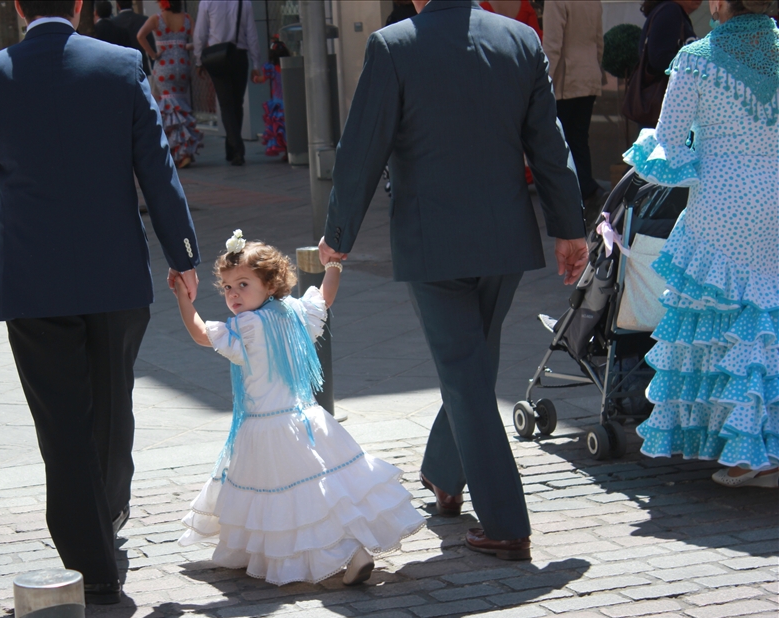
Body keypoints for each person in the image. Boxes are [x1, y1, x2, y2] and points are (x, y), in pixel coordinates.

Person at [0, 0, 201, 604]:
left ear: (20, 8)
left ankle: (92, 561)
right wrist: (182, 254)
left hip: (35, 281)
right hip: (116, 275)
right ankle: (106, 510)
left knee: (62, 421)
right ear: (78, 5)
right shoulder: (121, 66)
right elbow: (157, 168)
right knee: (112, 401)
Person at [320, 0, 588, 560]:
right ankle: (445, 474)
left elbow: (361, 148)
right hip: (504, 240)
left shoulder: (394, 46)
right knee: (473, 364)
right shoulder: (520, 41)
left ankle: (508, 523)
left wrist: (339, 234)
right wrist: (569, 228)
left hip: (433, 240)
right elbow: (549, 143)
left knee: (466, 374)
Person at [174, 232, 425, 586]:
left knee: (288, 503)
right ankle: (352, 550)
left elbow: (201, 334)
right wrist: (333, 265)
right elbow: (325, 298)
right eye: (228, 287)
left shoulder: (247, 327)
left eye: (243, 284)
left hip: (266, 430)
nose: (233, 295)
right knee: (326, 493)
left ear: (270, 284)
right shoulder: (295, 313)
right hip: (309, 419)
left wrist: (182, 298)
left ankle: (343, 553)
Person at [623, 0, 778, 489]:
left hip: (722, 200)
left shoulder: (697, 57)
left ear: (719, 4)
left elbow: (668, 140)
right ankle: (762, 444)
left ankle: (745, 451)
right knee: (766, 320)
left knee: (723, 320)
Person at [542, 0, 605, 220]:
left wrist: (542, 81)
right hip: (588, 75)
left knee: (562, 142)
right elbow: (599, 41)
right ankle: (587, 191)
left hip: (566, 80)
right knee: (578, 138)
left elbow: (552, 44)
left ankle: (579, 194)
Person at [193, 0, 262, 166]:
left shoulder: (207, 2)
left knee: (226, 104)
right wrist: (256, 63)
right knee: (237, 103)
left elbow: (200, 33)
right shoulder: (244, 3)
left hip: (217, 56)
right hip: (239, 56)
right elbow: (251, 34)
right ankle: (232, 149)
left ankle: (236, 149)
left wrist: (198, 60)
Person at [137, 0, 203, 168]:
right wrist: (182, 46)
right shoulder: (187, 18)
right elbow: (197, 41)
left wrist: (153, 54)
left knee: (168, 108)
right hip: (182, 65)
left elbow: (140, 35)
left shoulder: (157, 19)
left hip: (164, 66)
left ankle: (180, 151)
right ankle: (184, 148)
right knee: (180, 104)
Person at [638, 0, 700, 79]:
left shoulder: (673, 11)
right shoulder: (669, 10)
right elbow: (659, 58)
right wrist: (699, 65)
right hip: (667, 87)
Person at [112, 0, 155, 74]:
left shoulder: (113, 22)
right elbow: (151, 43)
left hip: (121, 64)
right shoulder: (143, 20)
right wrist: (153, 64)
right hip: (141, 63)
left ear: (118, 5)